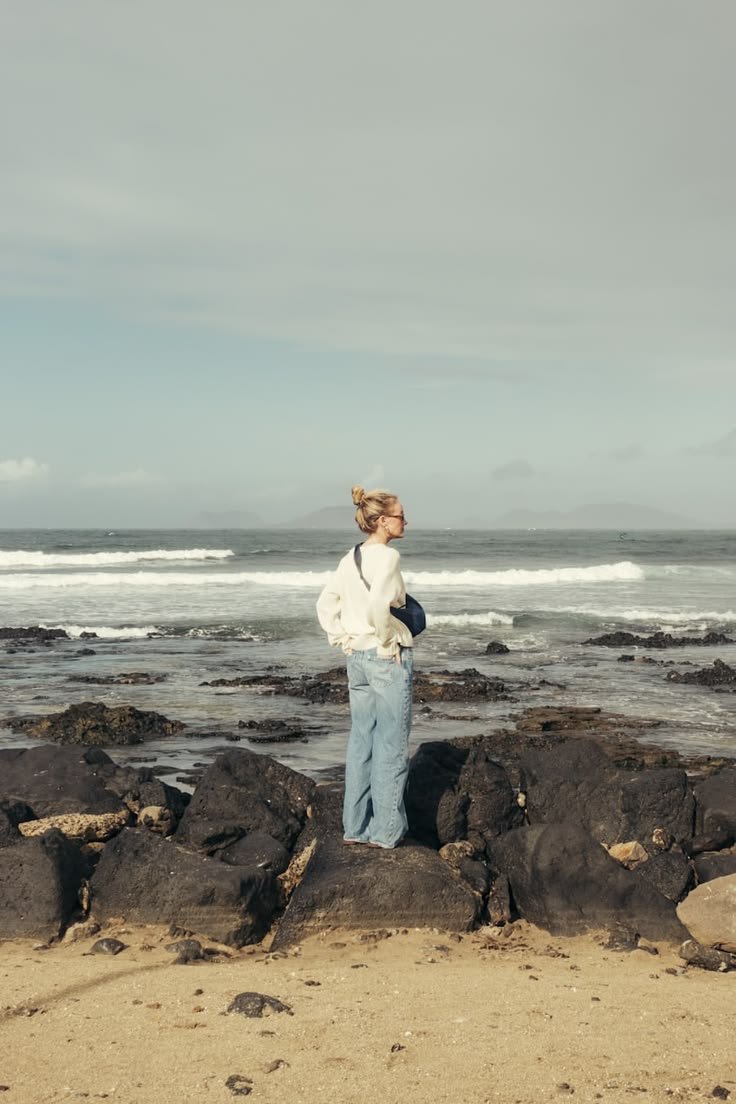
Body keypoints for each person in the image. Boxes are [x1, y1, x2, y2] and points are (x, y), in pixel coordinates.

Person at [316, 485, 415, 849]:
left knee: (361, 743)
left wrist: (342, 639)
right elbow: (379, 604)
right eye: (402, 515)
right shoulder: (388, 558)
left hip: (357, 659)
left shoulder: (351, 557)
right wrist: (387, 642)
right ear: (383, 520)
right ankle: (385, 833)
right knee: (390, 746)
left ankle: (354, 828)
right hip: (385, 658)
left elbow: (325, 604)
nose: (407, 521)